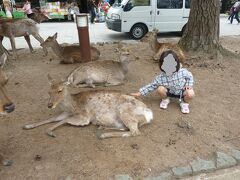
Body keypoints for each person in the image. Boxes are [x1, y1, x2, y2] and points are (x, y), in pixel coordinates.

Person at [131, 50, 195, 114]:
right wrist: (140, 93)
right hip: (169, 92)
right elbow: (152, 85)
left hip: (181, 92)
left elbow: (190, 77)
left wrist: (188, 85)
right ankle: (165, 99)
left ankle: (184, 103)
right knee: (160, 89)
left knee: (191, 93)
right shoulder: (161, 77)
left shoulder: (183, 72)